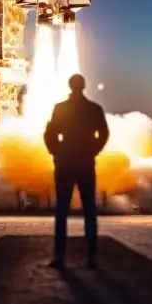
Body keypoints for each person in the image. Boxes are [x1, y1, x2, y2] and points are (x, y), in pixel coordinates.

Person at [43, 73, 110, 270]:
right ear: (83, 86)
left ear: (70, 86)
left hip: (65, 161)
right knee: (89, 210)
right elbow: (103, 134)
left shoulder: (60, 108)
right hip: (84, 162)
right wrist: (93, 150)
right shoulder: (93, 108)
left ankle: (60, 257)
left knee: (62, 210)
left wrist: (56, 152)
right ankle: (91, 258)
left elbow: (50, 133)